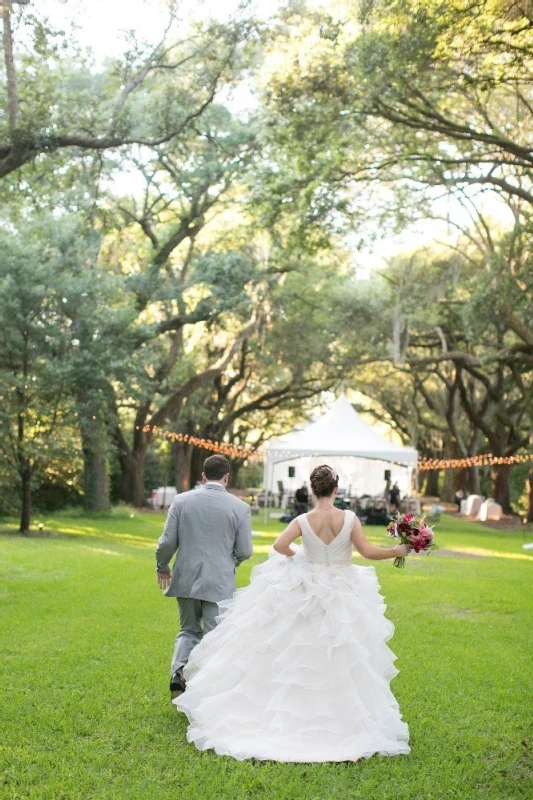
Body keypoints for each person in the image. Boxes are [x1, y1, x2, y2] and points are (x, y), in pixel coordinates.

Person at [175, 464, 411, 763]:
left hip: (307, 587)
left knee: (298, 646)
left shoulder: (303, 519)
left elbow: (279, 545)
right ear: (335, 489)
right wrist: (398, 551)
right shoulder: (349, 519)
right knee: (341, 651)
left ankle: (288, 711)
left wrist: (300, 556)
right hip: (342, 590)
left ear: (313, 490)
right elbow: (367, 552)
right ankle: (339, 716)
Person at [155, 454, 253, 701]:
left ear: (203, 475)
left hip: (186, 577)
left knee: (188, 630)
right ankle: (207, 692)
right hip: (219, 581)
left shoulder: (181, 501)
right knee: (214, 635)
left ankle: (179, 671)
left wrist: (162, 566)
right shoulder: (240, 508)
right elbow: (245, 551)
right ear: (227, 477)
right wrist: (230, 563)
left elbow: (167, 541)